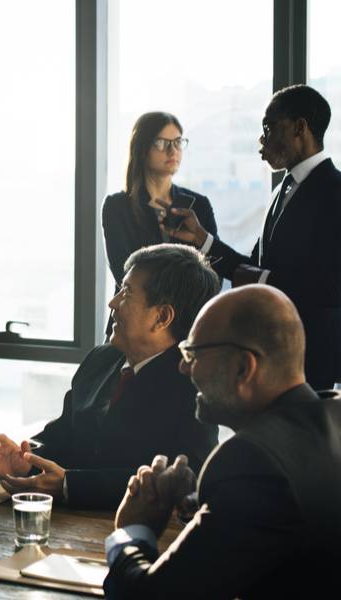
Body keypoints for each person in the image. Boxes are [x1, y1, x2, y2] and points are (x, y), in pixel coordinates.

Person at [104, 284, 341, 599]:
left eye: (193, 353)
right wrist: (193, 504)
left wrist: (131, 531)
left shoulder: (251, 460)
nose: (183, 366)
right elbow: (272, 534)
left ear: (244, 367)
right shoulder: (332, 415)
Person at [0, 244, 220, 509]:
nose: (112, 303)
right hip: (66, 526)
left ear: (162, 316)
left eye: (126, 293)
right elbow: (65, 435)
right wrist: (24, 460)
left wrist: (72, 485)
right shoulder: (101, 360)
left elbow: (188, 477)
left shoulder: (194, 383)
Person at [169, 85, 341, 390]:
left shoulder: (335, 192)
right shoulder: (281, 191)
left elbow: (331, 288)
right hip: (270, 356)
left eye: (269, 127)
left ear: (300, 127)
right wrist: (201, 239)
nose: (262, 139)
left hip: (312, 364)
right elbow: (253, 267)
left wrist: (262, 282)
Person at [102, 112, 218, 336]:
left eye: (177, 142)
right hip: (133, 322)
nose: (172, 150)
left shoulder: (198, 204)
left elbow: (212, 269)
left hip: (186, 325)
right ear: (142, 148)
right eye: (162, 143)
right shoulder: (117, 206)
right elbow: (124, 270)